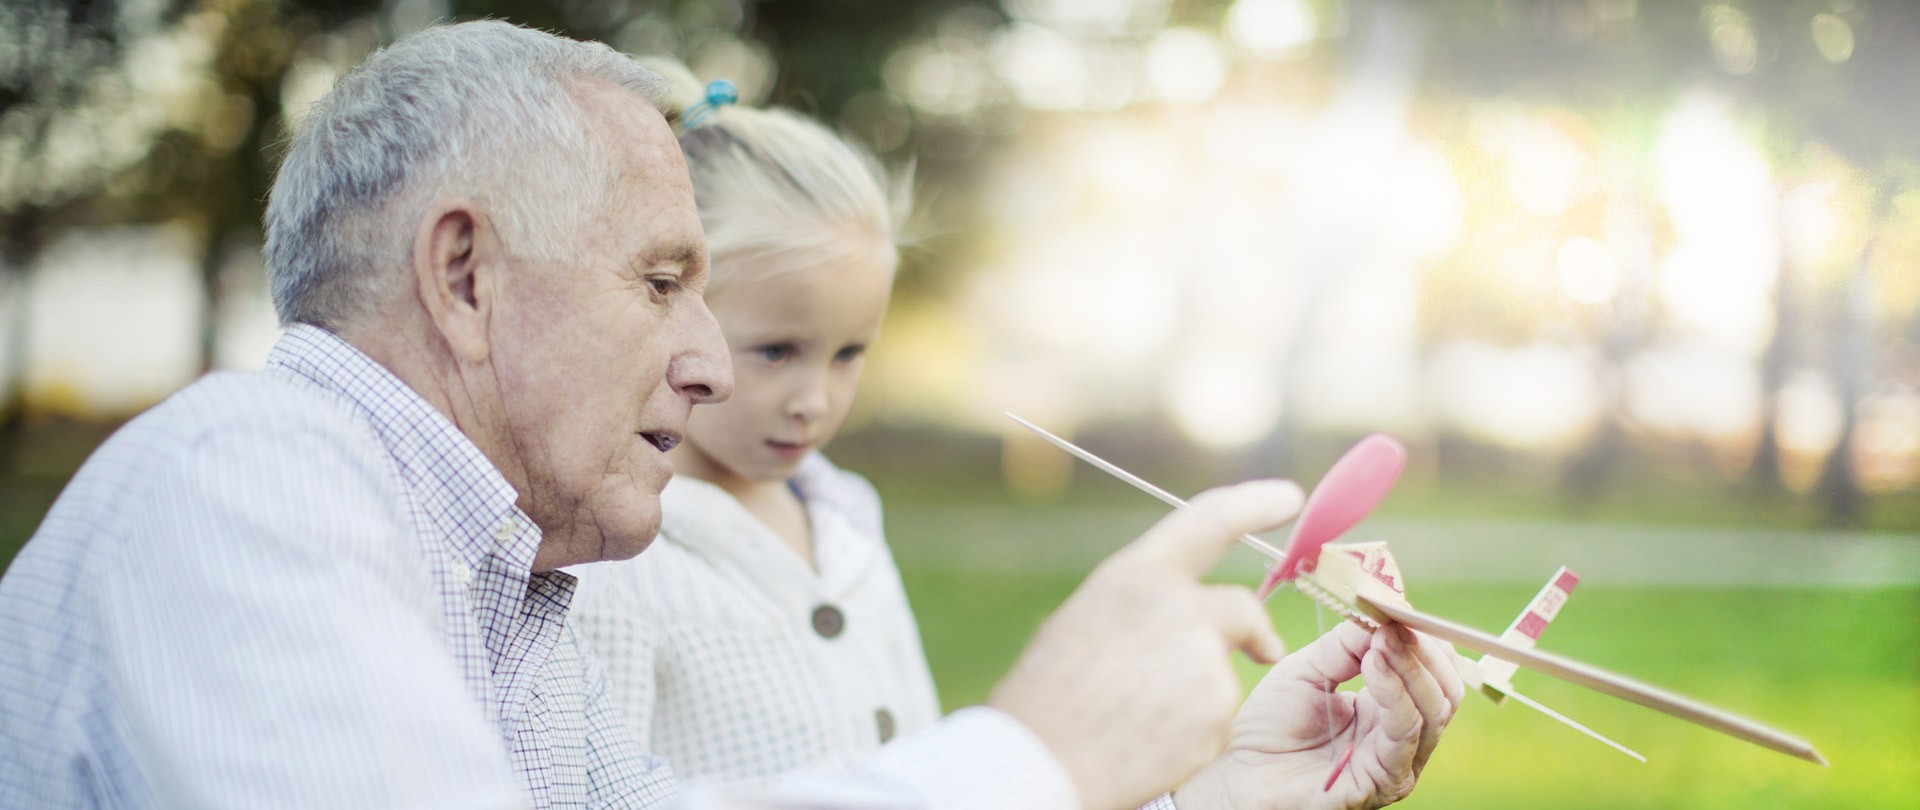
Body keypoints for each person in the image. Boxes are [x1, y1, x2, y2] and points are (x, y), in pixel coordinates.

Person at [0, 20, 1462, 810]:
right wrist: (1041, 750)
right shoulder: (243, 486)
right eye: (660, 281)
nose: (708, 366)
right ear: (464, 275)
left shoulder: (532, 598)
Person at [565, 60, 941, 782]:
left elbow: (922, 744)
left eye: (848, 355)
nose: (815, 399)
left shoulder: (847, 519)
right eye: (777, 351)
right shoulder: (618, 553)